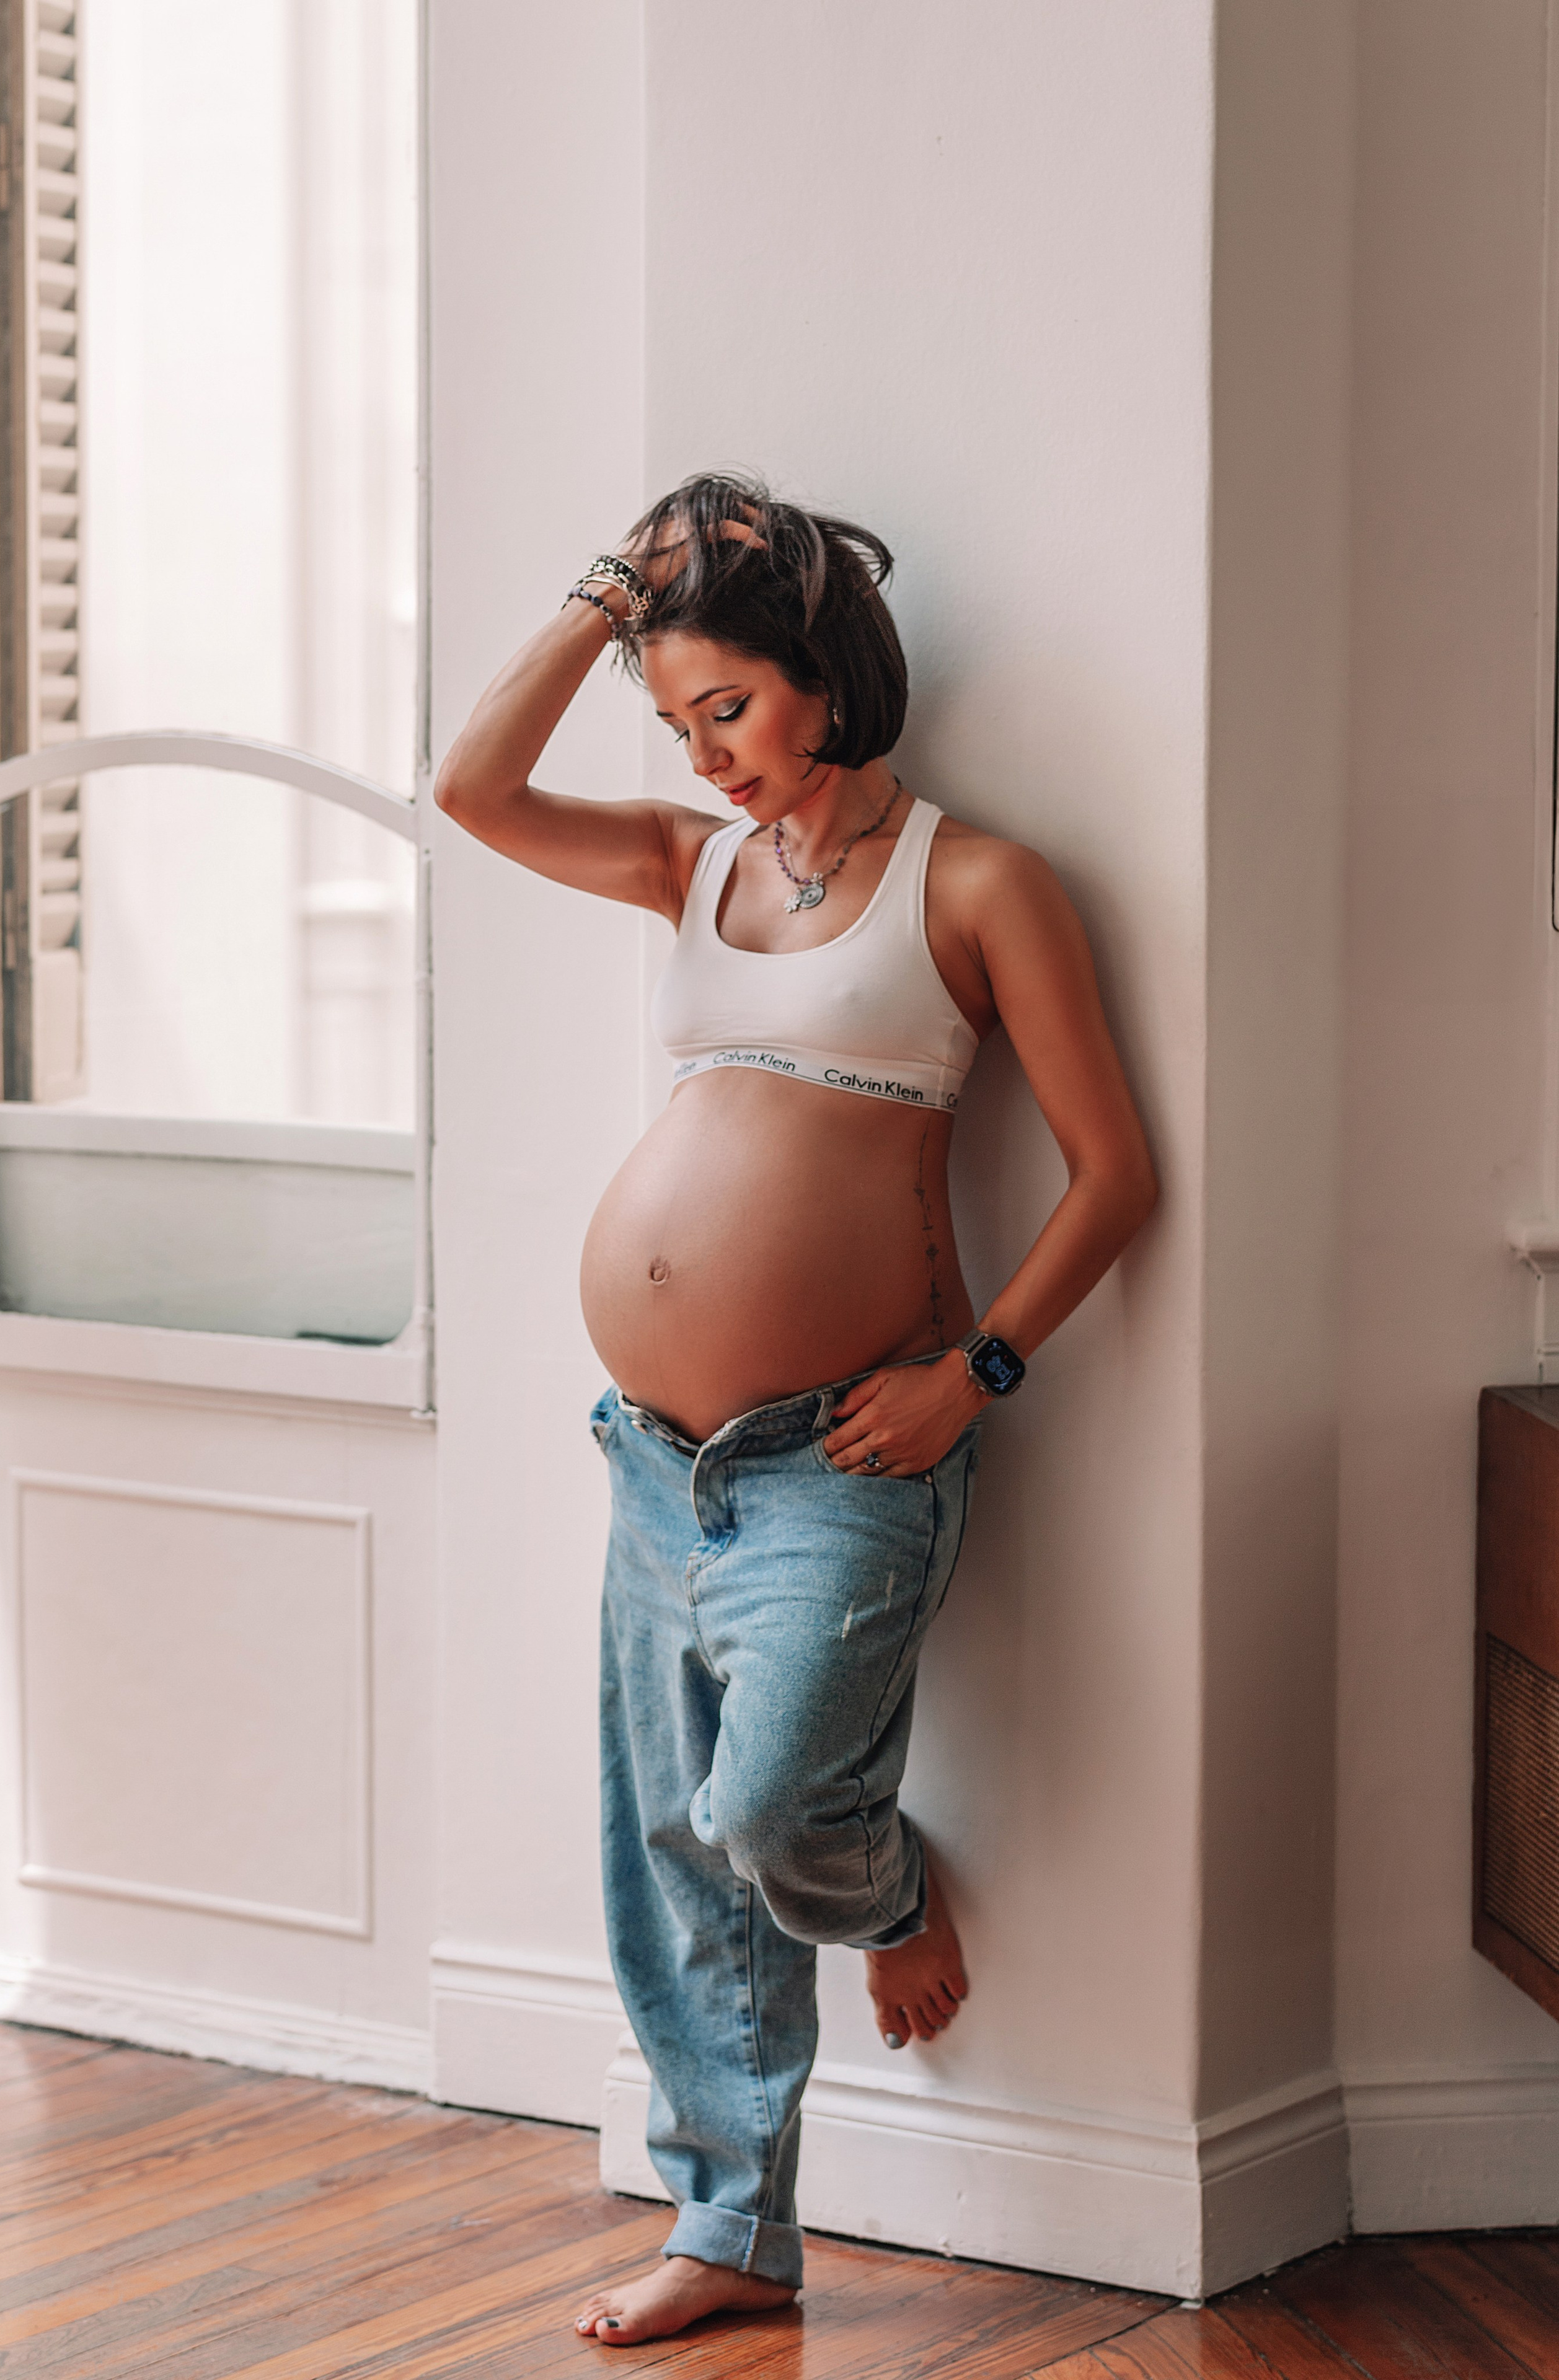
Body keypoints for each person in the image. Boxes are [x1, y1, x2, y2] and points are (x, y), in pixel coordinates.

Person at [434, 474, 1156, 2348]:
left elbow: (1115, 1173)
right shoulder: (692, 866)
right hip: (653, 1462)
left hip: (844, 1450)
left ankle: (883, 1880)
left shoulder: (975, 884)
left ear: (827, 678)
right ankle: (733, 2231)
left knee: (766, 1816)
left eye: (730, 709)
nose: (708, 755)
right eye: (678, 727)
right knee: (671, 1847)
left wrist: (975, 1373)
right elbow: (472, 794)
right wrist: (612, 600)